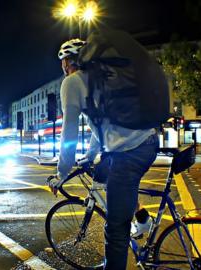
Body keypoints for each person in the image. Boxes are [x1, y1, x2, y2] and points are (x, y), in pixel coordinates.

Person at [53, 39, 159, 269]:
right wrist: (91, 156)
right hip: (148, 141)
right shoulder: (107, 77)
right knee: (103, 174)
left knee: (116, 230)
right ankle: (142, 219)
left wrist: (61, 172)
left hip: (130, 151)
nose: (63, 67)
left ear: (69, 61)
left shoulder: (73, 82)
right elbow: (100, 125)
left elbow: (69, 131)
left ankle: (135, 226)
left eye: (63, 62)